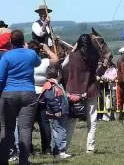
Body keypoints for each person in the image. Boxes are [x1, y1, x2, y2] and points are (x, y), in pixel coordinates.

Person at [0, 30, 41, 165]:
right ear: (23, 41)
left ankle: (3, 159)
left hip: (9, 94)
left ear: (11, 42)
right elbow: (38, 63)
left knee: (7, 128)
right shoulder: (31, 54)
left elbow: (1, 78)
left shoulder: (6, 56)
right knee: (25, 129)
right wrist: (27, 49)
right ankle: (24, 161)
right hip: (28, 93)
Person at [66, 34, 100, 154]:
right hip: (91, 89)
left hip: (75, 90)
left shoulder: (72, 55)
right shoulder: (95, 55)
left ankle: (65, 147)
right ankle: (90, 147)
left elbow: (63, 65)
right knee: (92, 119)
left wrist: (74, 49)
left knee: (71, 121)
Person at [40, 65, 71, 159]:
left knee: (57, 131)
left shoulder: (55, 84)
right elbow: (51, 98)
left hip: (58, 112)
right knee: (61, 131)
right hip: (56, 113)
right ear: (58, 74)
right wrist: (57, 110)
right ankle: (61, 151)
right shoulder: (50, 85)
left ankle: (56, 150)